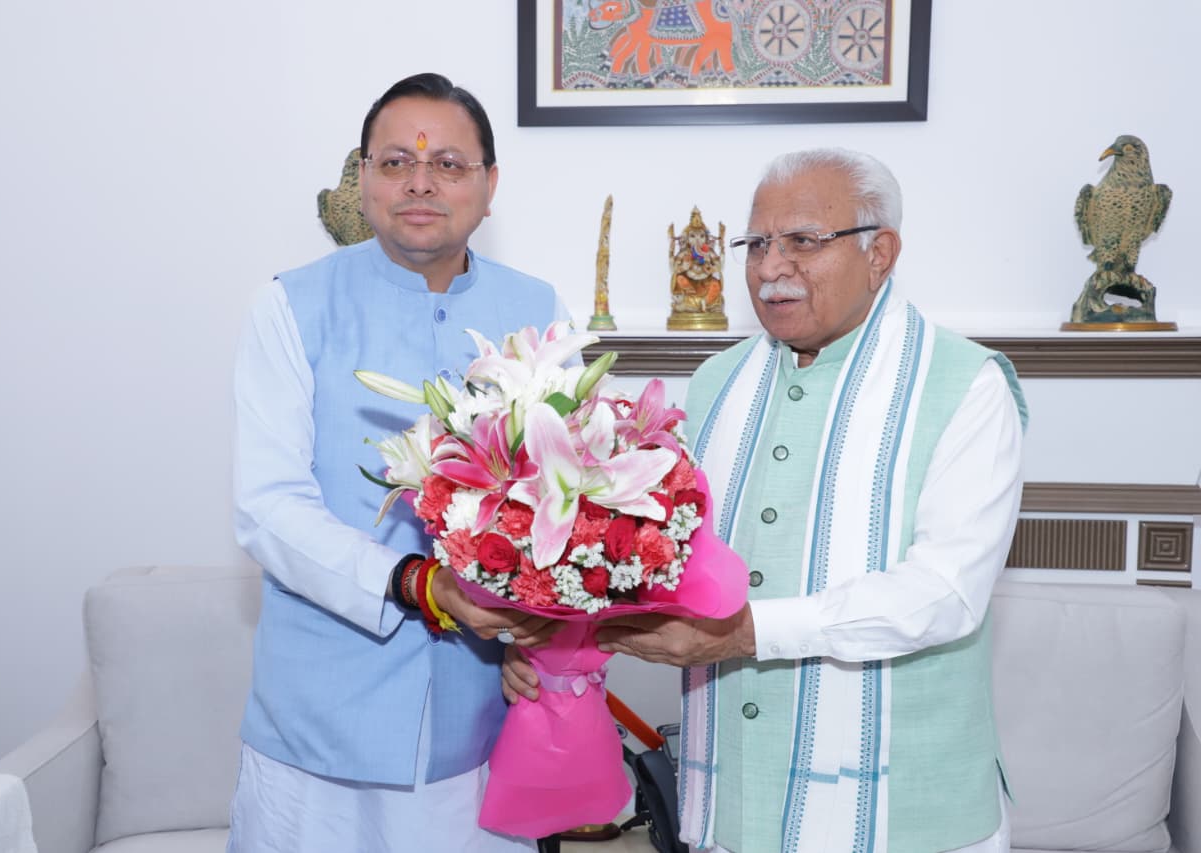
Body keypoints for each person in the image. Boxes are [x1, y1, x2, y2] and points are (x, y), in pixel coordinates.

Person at [508, 148, 1027, 852]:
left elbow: (945, 593)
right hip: (736, 800)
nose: (769, 266)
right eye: (756, 243)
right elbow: (664, 561)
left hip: (902, 814)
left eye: (803, 241)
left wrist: (748, 633)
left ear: (880, 253)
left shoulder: (965, 385)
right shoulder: (718, 382)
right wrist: (562, 646)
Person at [228, 72, 565, 853]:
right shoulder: (289, 306)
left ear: (489, 185)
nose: (420, 182)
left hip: (481, 724)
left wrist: (546, 640)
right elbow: (268, 507)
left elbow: (564, 504)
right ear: (363, 177)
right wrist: (416, 583)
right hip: (318, 726)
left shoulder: (539, 313)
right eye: (395, 162)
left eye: (448, 163)